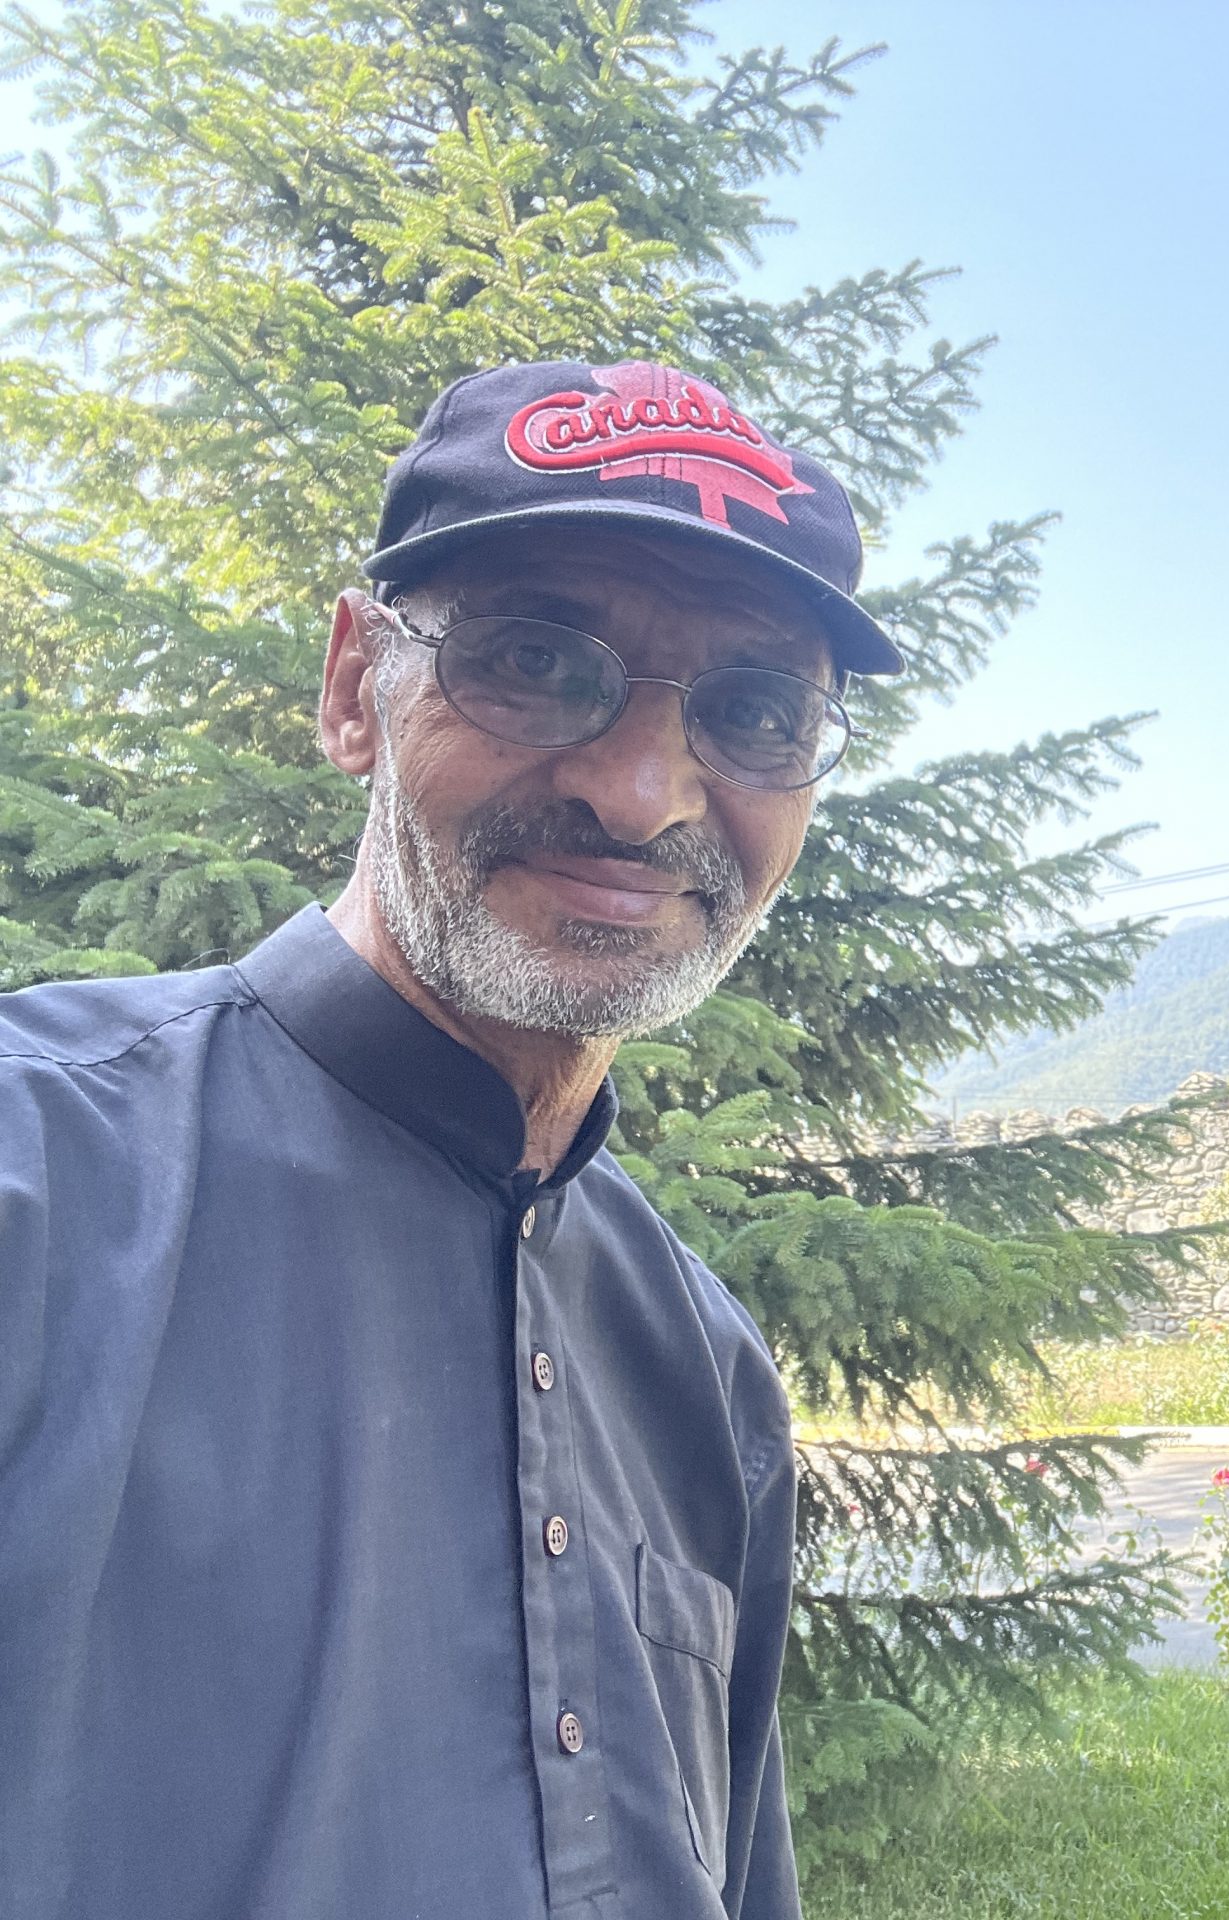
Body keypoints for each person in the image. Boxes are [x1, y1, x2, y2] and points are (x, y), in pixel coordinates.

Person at [0, 360, 903, 1920]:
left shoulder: (706, 1365)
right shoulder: (39, 1186)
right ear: (356, 685)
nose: (640, 794)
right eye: (537, 660)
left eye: (757, 710)